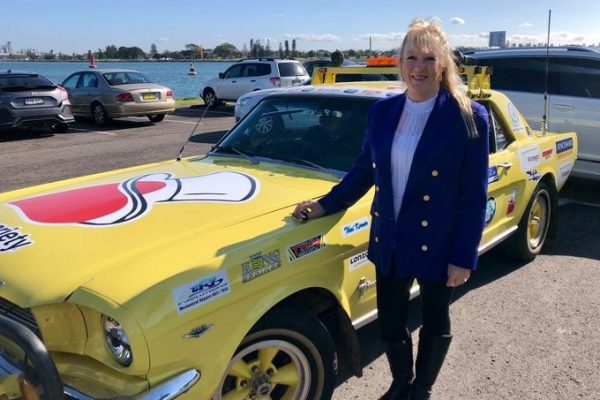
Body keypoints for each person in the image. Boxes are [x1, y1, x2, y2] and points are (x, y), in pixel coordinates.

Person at [292, 17, 489, 400]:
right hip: (391, 236)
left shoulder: (468, 116)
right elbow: (364, 171)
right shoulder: (383, 113)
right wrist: (325, 205)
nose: (419, 67)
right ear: (399, 62)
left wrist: (463, 257)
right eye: (411, 57)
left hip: (439, 238)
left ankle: (421, 390)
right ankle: (401, 383)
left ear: (443, 64)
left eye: (429, 58)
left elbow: (473, 196)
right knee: (391, 321)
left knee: (434, 319)